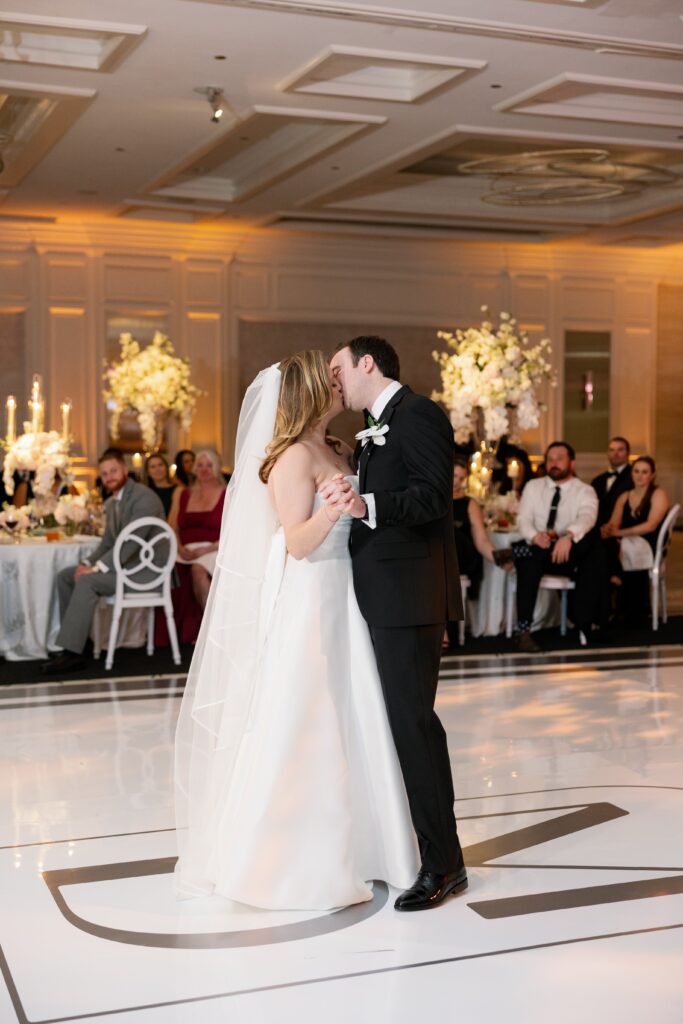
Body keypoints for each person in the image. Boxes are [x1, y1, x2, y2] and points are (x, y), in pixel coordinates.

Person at [175, 352, 419, 911]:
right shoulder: (289, 457)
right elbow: (296, 544)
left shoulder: (338, 448)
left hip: (348, 596)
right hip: (313, 597)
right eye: (330, 381)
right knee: (311, 716)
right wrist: (333, 513)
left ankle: (372, 846)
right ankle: (297, 857)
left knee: (357, 712)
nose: (340, 387)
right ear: (310, 391)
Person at [326, 336, 467, 912]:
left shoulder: (420, 413)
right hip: (383, 597)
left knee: (414, 727)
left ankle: (445, 865)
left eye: (338, 368)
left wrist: (367, 506)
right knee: (399, 726)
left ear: (367, 363)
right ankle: (419, 849)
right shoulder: (373, 425)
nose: (334, 380)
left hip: (410, 598)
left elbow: (435, 496)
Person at [47, 449, 165, 675]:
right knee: (67, 576)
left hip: (146, 572)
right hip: (125, 568)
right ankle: (77, 641)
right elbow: (108, 543)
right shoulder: (113, 502)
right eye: (104, 473)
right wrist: (86, 562)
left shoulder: (144, 497)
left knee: (88, 581)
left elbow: (132, 542)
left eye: (113, 471)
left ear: (125, 470)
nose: (109, 476)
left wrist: (96, 568)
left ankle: (72, 654)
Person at [507, 441, 601, 653]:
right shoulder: (533, 487)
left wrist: (568, 536)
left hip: (566, 556)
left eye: (560, 458)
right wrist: (534, 536)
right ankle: (524, 633)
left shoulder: (585, 491)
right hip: (538, 549)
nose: (554, 463)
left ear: (572, 463)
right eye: (550, 459)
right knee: (529, 564)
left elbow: (588, 517)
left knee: (586, 542)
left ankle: (514, 552)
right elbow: (523, 520)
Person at [445, 457, 512, 647]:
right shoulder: (433, 498)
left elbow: (481, 540)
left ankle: (446, 631)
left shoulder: (469, 503)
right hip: (442, 560)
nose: (456, 481)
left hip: (464, 556)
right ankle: (443, 629)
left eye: (460, 477)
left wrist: (497, 558)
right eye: (453, 476)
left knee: (448, 531)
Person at [162, 450, 226, 645]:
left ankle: (212, 630)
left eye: (209, 465)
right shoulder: (184, 493)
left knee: (198, 570)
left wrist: (205, 550)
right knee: (169, 569)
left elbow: (233, 529)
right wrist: (180, 547)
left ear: (216, 468)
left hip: (215, 548)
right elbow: (173, 526)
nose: (204, 470)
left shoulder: (227, 493)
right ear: (194, 469)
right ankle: (174, 634)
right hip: (185, 551)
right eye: (200, 465)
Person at [603, 456, 669, 625]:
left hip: (649, 543)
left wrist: (620, 534)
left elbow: (651, 526)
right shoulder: (624, 496)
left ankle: (618, 585)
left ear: (652, 475)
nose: (640, 476)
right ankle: (613, 583)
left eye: (645, 472)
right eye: (636, 471)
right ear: (631, 473)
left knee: (620, 546)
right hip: (625, 542)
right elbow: (613, 524)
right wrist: (608, 530)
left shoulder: (658, 494)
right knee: (604, 544)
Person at [592, 436, 633, 526]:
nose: (615, 454)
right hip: (598, 531)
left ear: (628, 453)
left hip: (625, 528)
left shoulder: (635, 477)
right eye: (612, 450)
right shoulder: (597, 480)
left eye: (620, 450)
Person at [145, 453, 177, 518]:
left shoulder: (177, 490)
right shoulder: (144, 492)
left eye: (160, 465)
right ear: (148, 472)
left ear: (166, 467)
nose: (158, 469)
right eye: (153, 467)